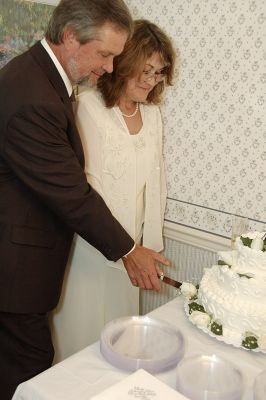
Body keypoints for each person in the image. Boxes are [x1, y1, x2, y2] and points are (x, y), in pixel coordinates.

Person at [0, 1, 169, 398]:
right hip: (14, 270)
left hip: (24, 262)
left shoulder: (40, 79)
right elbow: (71, 192)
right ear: (71, 37)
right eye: (106, 54)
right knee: (28, 376)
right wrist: (128, 248)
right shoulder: (32, 95)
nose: (110, 67)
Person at [74, 19, 175, 324]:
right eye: (145, 71)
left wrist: (149, 247)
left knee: (121, 334)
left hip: (135, 249)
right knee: (88, 332)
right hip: (92, 251)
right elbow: (88, 186)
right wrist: (124, 249)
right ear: (122, 64)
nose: (151, 81)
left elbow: (156, 184)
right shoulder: (88, 108)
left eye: (158, 73)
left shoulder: (153, 115)